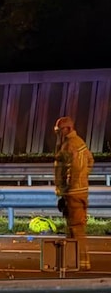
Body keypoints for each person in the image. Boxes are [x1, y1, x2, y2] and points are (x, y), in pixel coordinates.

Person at [54, 115, 94, 270]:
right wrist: (83, 178)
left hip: (73, 192)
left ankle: (82, 262)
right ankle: (74, 261)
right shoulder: (80, 143)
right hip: (80, 191)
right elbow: (90, 160)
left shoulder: (71, 145)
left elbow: (74, 168)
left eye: (60, 130)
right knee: (73, 227)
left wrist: (68, 187)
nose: (58, 134)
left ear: (68, 129)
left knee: (76, 228)